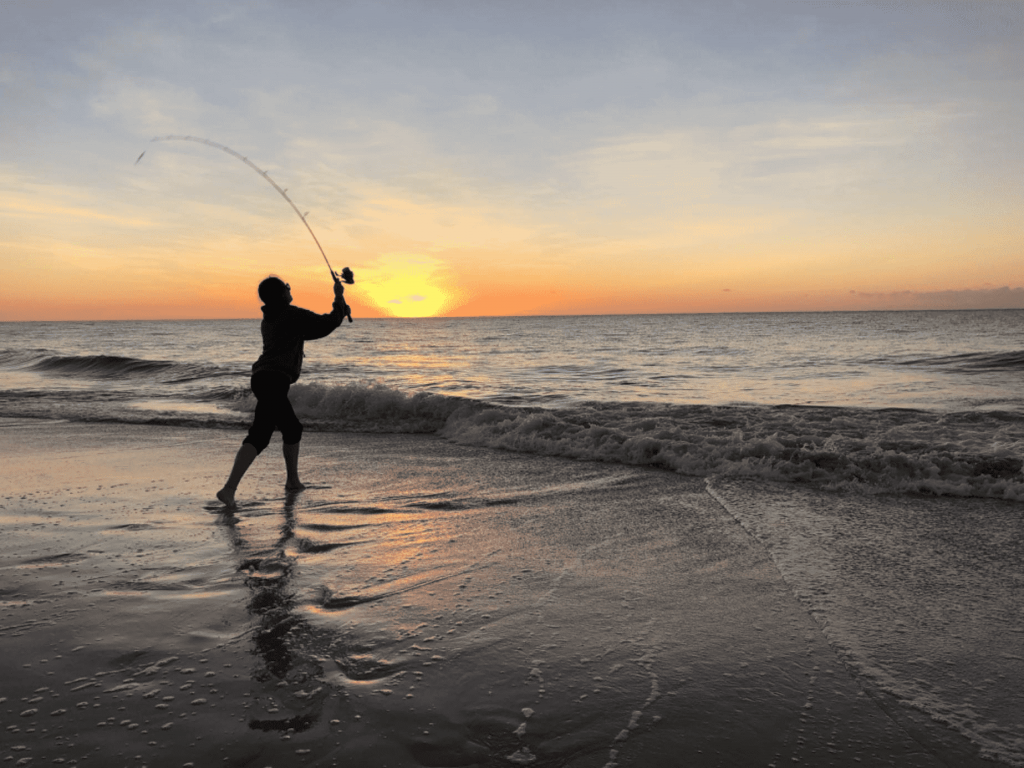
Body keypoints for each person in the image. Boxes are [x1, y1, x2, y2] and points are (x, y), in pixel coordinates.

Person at [217, 275, 350, 508]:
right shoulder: (289, 314)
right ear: (280, 294)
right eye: (287, 287)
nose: (290, 290)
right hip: (272, 381)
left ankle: (290, 481)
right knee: (273, 432)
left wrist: (339, 309)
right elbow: (323, 325)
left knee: (276, 431)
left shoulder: (272, 317)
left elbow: (311, 330)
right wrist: (338, 299)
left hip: (264, 379)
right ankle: (233, 489)